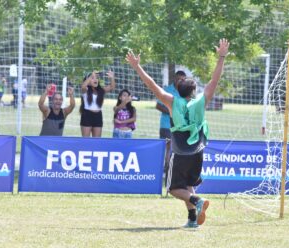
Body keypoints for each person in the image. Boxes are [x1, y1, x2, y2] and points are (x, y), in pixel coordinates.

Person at [126, 38, 230, 228]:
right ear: (193, 91)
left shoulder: (172, 101)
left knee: (174, 188)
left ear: (178, 90)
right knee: (188, 185)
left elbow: (151, 85)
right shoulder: (200, 101)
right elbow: (215, 80)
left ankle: (197, 201)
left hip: (181, 152)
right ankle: (192, 219)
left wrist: (137, 67)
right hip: (198, 151)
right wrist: (221, 57)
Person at [156, 70, 186, 182]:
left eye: (183, 79)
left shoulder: (185, 91)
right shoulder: (167, 90)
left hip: (180, 127)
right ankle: (166, 174)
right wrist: (172, 111)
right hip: (166, 125)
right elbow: (158, 106)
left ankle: (172, 175)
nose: (181, 81)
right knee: (167, 150)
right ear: (175, 79)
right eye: (179, 79)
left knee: (177, 151)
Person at [80, 70, 116, 137]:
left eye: (96, 78)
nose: (95, 79)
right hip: (87, 115)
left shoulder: (101, 90)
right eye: (93, 78)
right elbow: (83, 86)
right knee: (85, 141)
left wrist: (112, 78)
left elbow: (112, 87)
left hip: (98, 116)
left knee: (97, 141)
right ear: (88, 80)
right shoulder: (85, 90)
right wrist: (91, 75)